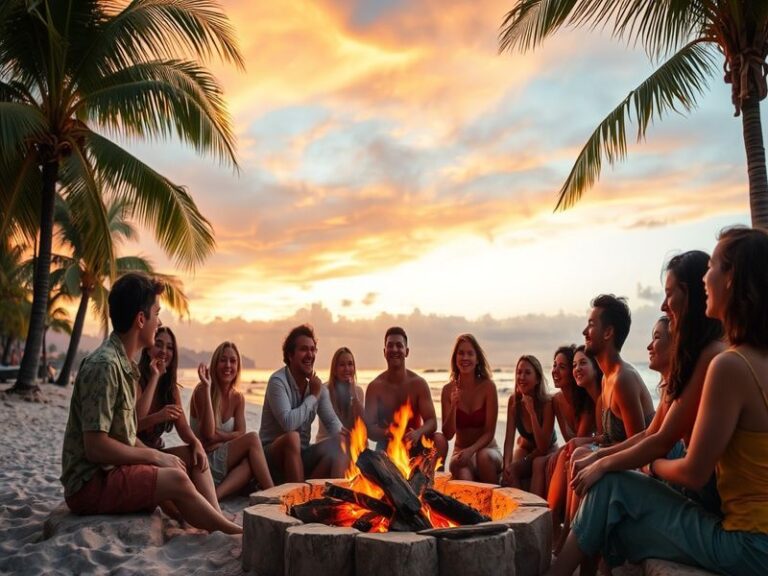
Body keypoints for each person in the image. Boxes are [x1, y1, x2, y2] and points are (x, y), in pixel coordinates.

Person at [552, 227, 768, 576]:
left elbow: (692, 470)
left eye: (711, 267)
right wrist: (609, 462)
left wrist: (642, 467)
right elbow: (658, 436)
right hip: (755, 541)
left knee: (612, 489)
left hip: (748, 547)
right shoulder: (743, 356)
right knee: (611, 492)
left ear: (732, 279)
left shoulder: (726, 362)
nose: (704, 279)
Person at [60, 272, 240, 534]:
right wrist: (155, 456)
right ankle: (229, 531)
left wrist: (164, 455)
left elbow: (124, 434)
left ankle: (214, 518)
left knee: (189, 457)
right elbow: (96, 447)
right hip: (90, 483)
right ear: (141, 319)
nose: (159, 322)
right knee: (177, 477)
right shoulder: (105, 366)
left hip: (112, 470)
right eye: (156, 314)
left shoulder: (125, 365)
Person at [571, 252, 725, 508]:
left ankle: (567, 542)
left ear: (690, 295)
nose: (663, 305)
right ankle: (563, 537)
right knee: (584, 460)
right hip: (690, 480)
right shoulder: (701, 359)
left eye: (669, 294)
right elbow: (652, 434)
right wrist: (599, 456)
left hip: (713, 504)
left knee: (606, 482)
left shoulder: (713, 359)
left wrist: (638, 464)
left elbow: (662, 444)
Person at [259, 324, 346, 482]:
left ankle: (335, 500)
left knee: (341, 441)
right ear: (290, 355)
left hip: (301, 457)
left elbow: (333, 423)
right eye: (304, 349)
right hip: (271, 460)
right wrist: (312, 396)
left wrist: (351, 440)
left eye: (313, 350)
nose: (310, 355)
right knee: (292, 438)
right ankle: (299, 498)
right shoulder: (278, 382)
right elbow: (288, 424)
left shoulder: (317, 388)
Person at [190, 341, 273, 499]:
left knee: (250, 463)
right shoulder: (203, 390)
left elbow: (241, 432)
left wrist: (219, 437)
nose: (228, 365)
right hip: (204, 462)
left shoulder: (238, 398)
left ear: (238, 366)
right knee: (254, 438)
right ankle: (272, 493)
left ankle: (215, 496)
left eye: (233, 361)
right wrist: (207, 388)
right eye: (223, 360)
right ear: (215, 364)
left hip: (224, 462)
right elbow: (208, 434)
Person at [364, 327, 447, 459]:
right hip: (387, 445)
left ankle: (431, 479)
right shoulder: (375, 387)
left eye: (399, 346)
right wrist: (390, 432)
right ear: (384, 351)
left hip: (415, 442)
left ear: (406, 351)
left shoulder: (419, 384)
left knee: (439, 440)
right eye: (390, 346)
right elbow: (369, 429)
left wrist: (418, 433)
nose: (394, 349)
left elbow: (432, 421)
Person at [530, 345, 595, 498]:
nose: (555, 371)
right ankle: (536, 510)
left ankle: (554, 516)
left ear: (572, 374)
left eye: (562, 367)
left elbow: (578, 440)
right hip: (571, 449)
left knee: (561, 460)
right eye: (554, 365)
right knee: (538, 462)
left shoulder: (586, 401)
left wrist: (560, 451)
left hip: (586, 450)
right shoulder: (556, 400)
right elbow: (550, 442)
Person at [440, 334, 502, 483]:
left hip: (488, 451)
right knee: (460, 468)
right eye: (461, 353)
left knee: (483, 457)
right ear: (455, 358)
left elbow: (489, 432)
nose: (465, 357)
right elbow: (448, 434)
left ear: (477, 359)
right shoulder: (448, 390)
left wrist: (471, 450)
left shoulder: (488, 387)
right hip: (461, 453)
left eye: (470, 353)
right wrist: (454, 406)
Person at [502, 355, 556, 488]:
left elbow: (542, 447)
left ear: (537, 379)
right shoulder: (513, 401)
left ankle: (532, 507)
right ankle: (518, 506)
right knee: (510, 471)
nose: (521, 377)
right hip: (526, 448)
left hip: (547, 449)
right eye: (519, 372)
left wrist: (532, 412)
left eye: (527, 373)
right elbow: (509, 440)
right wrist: (506, 466)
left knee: (535, 463)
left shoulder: (547, 403)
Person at [317, 347, 365, 442]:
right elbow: (332, 424)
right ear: (334, 370)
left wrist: (354, 397)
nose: (347, 368)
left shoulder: (358, 391)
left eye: (350, 364)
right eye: (342, 365)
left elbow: (362, 423)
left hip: (351, 445)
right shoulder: (324, 391)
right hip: (327, 444)